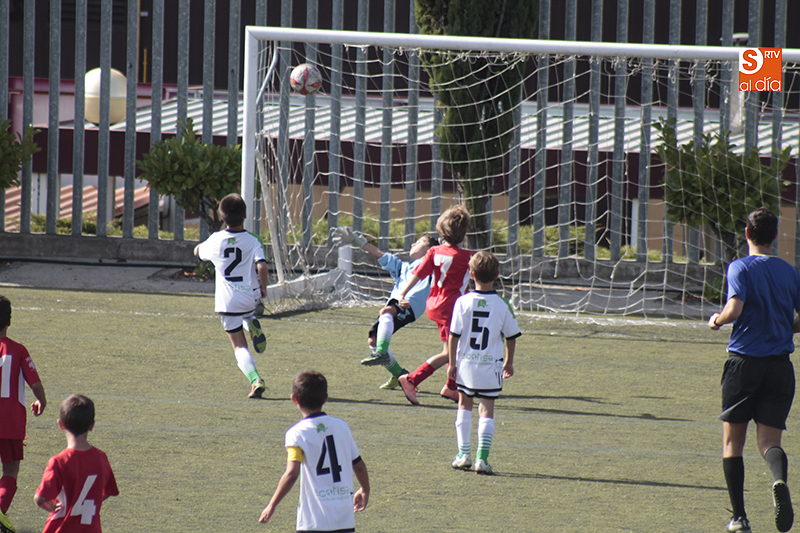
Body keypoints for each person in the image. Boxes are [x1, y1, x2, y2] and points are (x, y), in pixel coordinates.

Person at [708, 207, 800, 533]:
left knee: (733, 442)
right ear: (775, 236)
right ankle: (778, 481)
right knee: (769, 442)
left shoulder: (740, 267)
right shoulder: (790, 272)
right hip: (780, 368)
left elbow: (734, 309)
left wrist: (716, 320)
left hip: (743, 364)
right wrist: (785, 326)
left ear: (747, 234)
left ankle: (740, 518)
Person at [259, 370, 370, 532]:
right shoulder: (341, 426)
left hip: (313, 521)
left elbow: (291, 473)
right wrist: (365, 489)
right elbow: (358, 465)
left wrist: (272, 505)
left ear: (294, 399)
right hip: (343, 519)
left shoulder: (296, 434)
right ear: (325, 398)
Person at [331, 227, 436, 389]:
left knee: (385, 312)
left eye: (421, 241)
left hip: (410, 305)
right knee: (372, 340)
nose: (414, 243)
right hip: (398, 304)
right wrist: (356, 240)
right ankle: (400, 375)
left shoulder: (433, 264)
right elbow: (380, 254)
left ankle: (381, 353)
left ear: (431, 249)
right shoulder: (404, 267)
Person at [448, 252, 520, 475]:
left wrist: (452, 363)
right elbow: (511, 336)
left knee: (464, 406)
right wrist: (509, 362)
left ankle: (463, 455)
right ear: (497, 275)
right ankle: (482, 458)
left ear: (470, 274)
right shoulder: (502, 304)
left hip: (467, 364)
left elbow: (453, 335)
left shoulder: (462, 302)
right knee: (487, 409)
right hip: (491, 366)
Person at [194, 193, 270, 399]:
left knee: (239, 346)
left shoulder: (216, 240)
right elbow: (261, 265)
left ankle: (255, 379)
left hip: (227, 302)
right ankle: (250, 322)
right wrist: (264, 288)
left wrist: (201, 246)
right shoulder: (254, 239)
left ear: (221, 217)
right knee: (245, 314)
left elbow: (198, 251)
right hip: (250, 298)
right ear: (245, 215)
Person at [396, 204, 473, 405]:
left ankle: (451, 386)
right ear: (463, 233)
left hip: (436, 306)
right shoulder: (468, 257)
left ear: (441, 230)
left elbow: (418, 274)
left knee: (455, 350)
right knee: (450, 353)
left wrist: (403, 292)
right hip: (452, 309)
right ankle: (411, 379)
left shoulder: (434, 252)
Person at [34, 394, 119, 533]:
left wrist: (45, 505)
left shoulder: (59, 462)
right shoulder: (101, 458)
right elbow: (108, 490)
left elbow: (40, 497)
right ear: (92, 425)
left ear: (60, 424)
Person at [0, 295, 46, 533]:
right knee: (10, 470)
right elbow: (35, 384)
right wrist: (42, 400)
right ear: (9, 320)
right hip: (9, 422)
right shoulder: (18, 350)